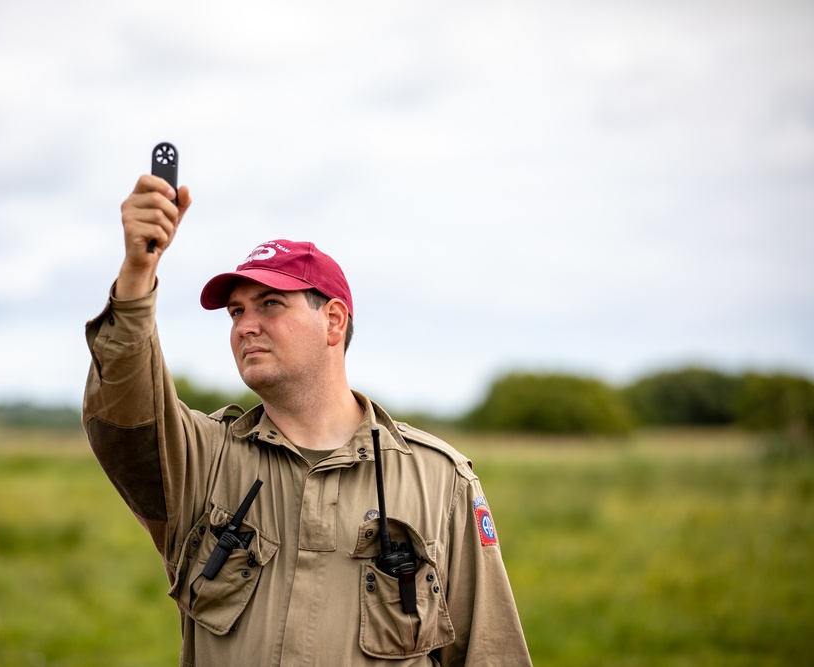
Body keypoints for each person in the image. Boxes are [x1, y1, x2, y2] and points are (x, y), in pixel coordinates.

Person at [82, 173, 532, 666]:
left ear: (334, 321)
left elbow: (491, 651)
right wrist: (136, 275)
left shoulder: (439, 481)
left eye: (270, 304)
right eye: (235, 312)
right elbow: (126, 411)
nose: (244, 326)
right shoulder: (204, 459)